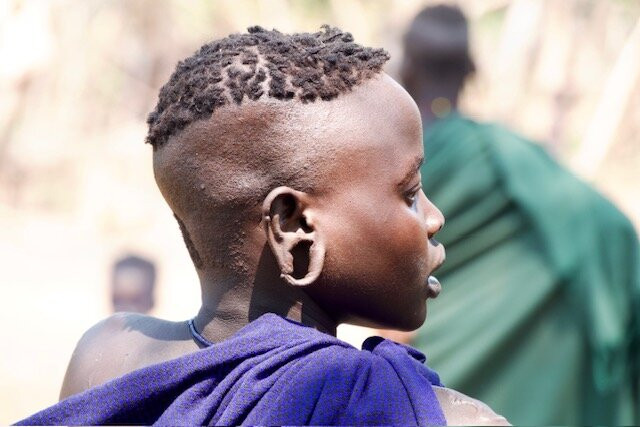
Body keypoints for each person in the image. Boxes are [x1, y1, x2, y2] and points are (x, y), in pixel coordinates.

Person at [16, 26, 509, 425]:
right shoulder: (437, 418)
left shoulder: (105, 360)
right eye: (410, 193)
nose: (434, 217)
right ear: (293, 226)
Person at [394, 5, 640, 425]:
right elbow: (611, 232)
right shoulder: (509, 156)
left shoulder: (387, 157)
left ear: (407, 68)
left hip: (432, 356)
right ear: (472, 69)